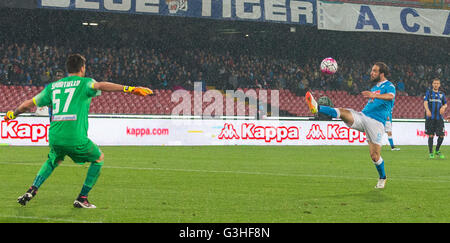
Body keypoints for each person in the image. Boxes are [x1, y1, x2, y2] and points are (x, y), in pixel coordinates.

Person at [3, 54, 153, 208]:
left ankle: (32, 190)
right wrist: (130, 89)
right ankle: (82, 198)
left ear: (68, 69)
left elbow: (28, 104)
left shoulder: (53, 87)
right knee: (98, 158)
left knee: (53, 160)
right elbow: (101, 86)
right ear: (82, 68)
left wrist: (12, 114)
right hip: (74, 137)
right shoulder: (85, 83)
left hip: (55, 136)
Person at [305, 62, 395, 189]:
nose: (371, 73)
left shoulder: (389, 86)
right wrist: (373, 94)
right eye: (372, 70)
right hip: (363, 116)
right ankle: (317, 108)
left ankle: (382, 177)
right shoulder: (375, 87)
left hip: (376, 123)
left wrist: (375, 95)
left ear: (382, 74)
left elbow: (391, 97)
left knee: (375, 156)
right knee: (343, 112)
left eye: (374, 71)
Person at [424, 78, 447, 159]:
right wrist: (427, 110)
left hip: (439, 118)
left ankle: (437, 150)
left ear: (439, 85)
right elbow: (425, 102)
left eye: (437, 83)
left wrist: (443, 107)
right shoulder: (429, 93)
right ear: (432, 84)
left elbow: (445, 104)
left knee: (441, 136)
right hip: (430, 118)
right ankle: (431, 152)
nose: (436, 84)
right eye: (434, 83)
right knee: (431, 135)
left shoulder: (442, 94)